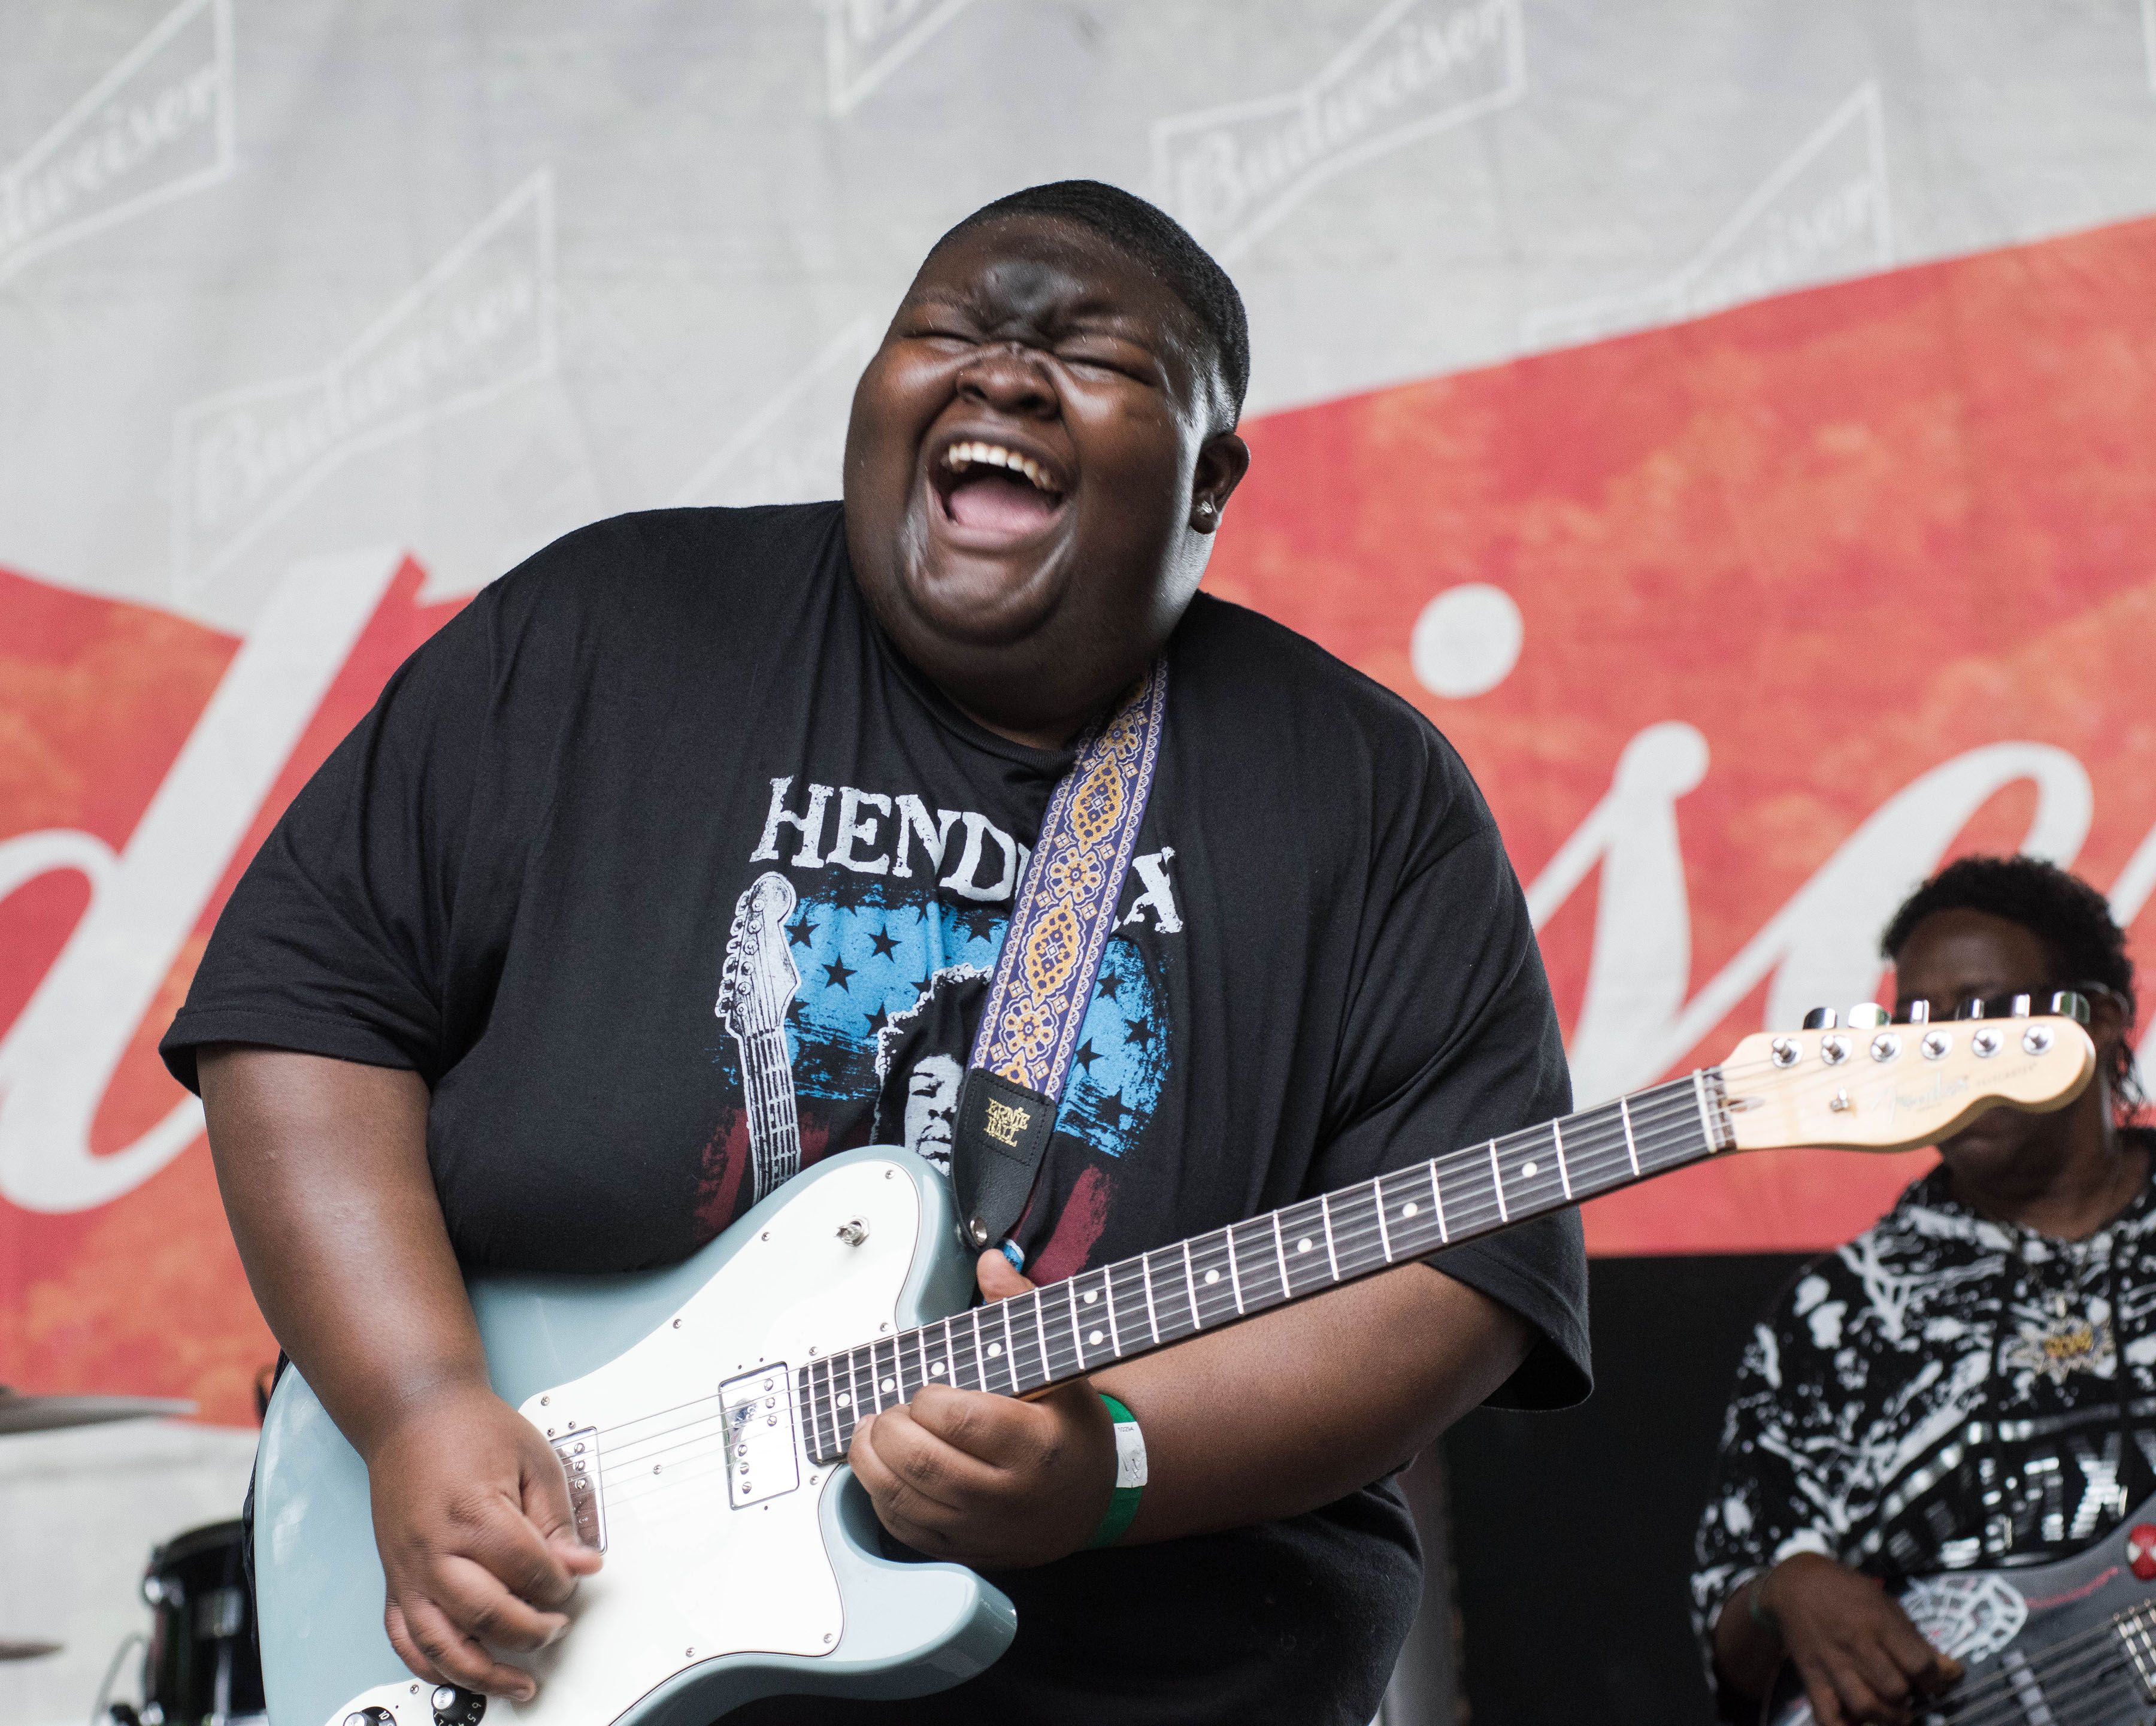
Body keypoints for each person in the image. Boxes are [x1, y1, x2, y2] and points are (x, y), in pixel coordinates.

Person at [161, 180, 1589, 1726]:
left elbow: (1461, 1272)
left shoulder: (1363, 792)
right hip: (558, 1648)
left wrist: (1109, 1464)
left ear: (1209, 479)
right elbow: (308, 1014)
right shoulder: (607, 629)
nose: (1005, 375)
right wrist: (419, 1402)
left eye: (1093, 359)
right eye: (949, 332)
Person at [1692, 855, 2154, 1726]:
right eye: (1916, 1028)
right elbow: (1733, 1650)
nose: (1943, 1058)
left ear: (2095, 1021)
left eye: (1981, 1016)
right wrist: (1784, 1591)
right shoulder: (1835, 1314)